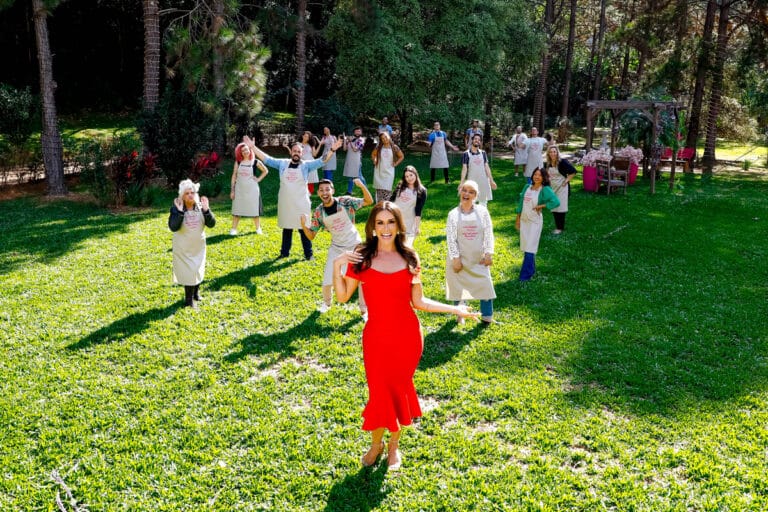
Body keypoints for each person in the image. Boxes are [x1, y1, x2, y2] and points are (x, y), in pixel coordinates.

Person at [332, 202, 479, 470]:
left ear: (399, 225)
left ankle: (393, 448)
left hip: (407, 338)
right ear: (373, 227)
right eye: (380, 223)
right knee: (379, 394)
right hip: (376, 337)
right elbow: (342, 296)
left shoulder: (410, 257)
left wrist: (455, 308)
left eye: (391, 222)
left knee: (398, 391)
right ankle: (376, 445)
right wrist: (338, 265)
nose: (385, 228)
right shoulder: (362, 256)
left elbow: (420, 302)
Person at [247, 135, 342, 260]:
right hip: (286, 202)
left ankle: (309, 254)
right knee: (287, 228)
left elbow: (322, 161)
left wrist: (332, 150)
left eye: (299, 151)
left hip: (301, 203)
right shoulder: (282, 164)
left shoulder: (306, 165)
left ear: (302, 153)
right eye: (294, 151)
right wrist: (253, 147)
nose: (296, 153)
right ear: (291, 152)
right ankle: (284, 253)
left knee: (304, 229)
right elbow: (267, 159)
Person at [300, 178, 373, 316]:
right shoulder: (319, 212)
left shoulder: (346, 202)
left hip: (354, 245)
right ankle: (326, 304)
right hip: (336, 247)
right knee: (328, 276)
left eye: (327, 189)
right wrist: (304, 224)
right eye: (321, 190)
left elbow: (368, 201)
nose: (324, 192)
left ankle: (364, 310)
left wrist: (362, 185)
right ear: (318, 193)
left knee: (361, 279)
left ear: (332, 190)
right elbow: (311, 236)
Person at [445, 180, 496, 324]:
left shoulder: (482, 211)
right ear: (460, 192)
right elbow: (451, 238)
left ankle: (487, 316)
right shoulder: (453, 214)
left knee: (485, 284)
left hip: (477, 258)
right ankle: (460, 314)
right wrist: (455, 258)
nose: (467, 194)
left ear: (476, 196)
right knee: (457, 287)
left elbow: (488, 233)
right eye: (465, 190)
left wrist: (488, 253)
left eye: (471, 192)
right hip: (460, 258)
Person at [168, 179, 216, 309]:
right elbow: (173, 227)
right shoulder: (176, 208)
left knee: (197, 269)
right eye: (187, 193)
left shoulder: (200, 207)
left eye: (192, 192)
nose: (190, 195)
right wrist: (179, 212)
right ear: (182, 196)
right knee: (188, 272)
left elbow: (211, 224)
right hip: (183, 247)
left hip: (198, 246)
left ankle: (195, 293)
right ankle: (188, 300)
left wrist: (207, 211)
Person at [515, 168, 560, 281]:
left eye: (540, 175)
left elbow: (556, 201)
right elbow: (521, 203)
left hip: (535, 222)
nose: (537, 177)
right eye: (535, 174)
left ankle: (524, 276)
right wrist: (518, 219)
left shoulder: (544, 189)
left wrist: (541, 206)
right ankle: (531, 270)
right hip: (524, 220)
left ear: (544, 178)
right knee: (527, 247)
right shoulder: (527, 187)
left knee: (530, 247)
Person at [229, 140, 268, 235]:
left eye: (247, 150)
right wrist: (232, 190)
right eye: (243, 151)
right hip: (239, 189)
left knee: (254, 209)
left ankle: (258, 228)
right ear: (240, 153)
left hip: (252, 190)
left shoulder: (255, 162)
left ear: (250, 150)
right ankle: (233, 229)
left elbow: (266, 171)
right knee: (237, 209)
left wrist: (258, 179)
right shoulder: (238, 162)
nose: (245, 152)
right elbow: (234, 175)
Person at [390, 165, 427, 247]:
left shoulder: (421, 191)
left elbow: (418, 210)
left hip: (409, 222)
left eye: (411, 175)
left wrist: (417, 227)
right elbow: (391, 200)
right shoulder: (400, 186)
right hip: (395, 218)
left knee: (406, 246)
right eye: (406, 176)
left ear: (415, 174)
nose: (409, 178)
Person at [544, 145, 577, 234]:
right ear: (548, 153)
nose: (553, 153)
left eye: (554, 152)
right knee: (554, 206)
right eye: (551, 152)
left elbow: (573, 171)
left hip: (562, 188)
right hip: (553, 188)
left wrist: (566, 180)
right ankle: (557, 226)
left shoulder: (562, 162)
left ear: (557, 152)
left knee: (561, 207)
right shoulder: (547, 163)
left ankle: (560, 228)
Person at [460, 134, 497, 206]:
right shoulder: (466, 154)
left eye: (479, 140)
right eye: (475, 139)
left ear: (480, 142)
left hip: (483, 181)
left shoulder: (483, 153)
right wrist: (462, 182)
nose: (477, 140)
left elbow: (487, 167)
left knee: (483, 202)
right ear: (472, 140)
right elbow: (464, 168)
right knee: (470, 201)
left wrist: (491, 181)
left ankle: (483, 216)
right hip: (472, 180)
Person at [371, 131, 404, 203]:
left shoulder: (394, 147)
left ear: (389, 137)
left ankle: (387, 204)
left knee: (387, 188)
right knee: (379, 189)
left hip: (389, 171)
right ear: (381, 140)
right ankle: (379, 204)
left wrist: (396, 163)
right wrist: (375, 160)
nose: (385, 139)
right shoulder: (379, 147)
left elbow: (401, 156)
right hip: (379, 170)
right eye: (382, 138)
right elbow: (373, 155)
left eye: (386, 137)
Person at [343, 127, 367, 194]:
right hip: (349, 160)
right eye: (356, 131)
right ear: (354, 132)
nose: (357, 132)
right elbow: (344, 149)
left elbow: (355, 149)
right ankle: (349, 191)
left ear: (361, 133)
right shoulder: (351, 139)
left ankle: (366, 190)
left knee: (359, 176)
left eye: (359, 131)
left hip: (357, 161)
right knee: (350, 177)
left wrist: (350, 141)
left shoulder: (361, 140)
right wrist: (345, 140)